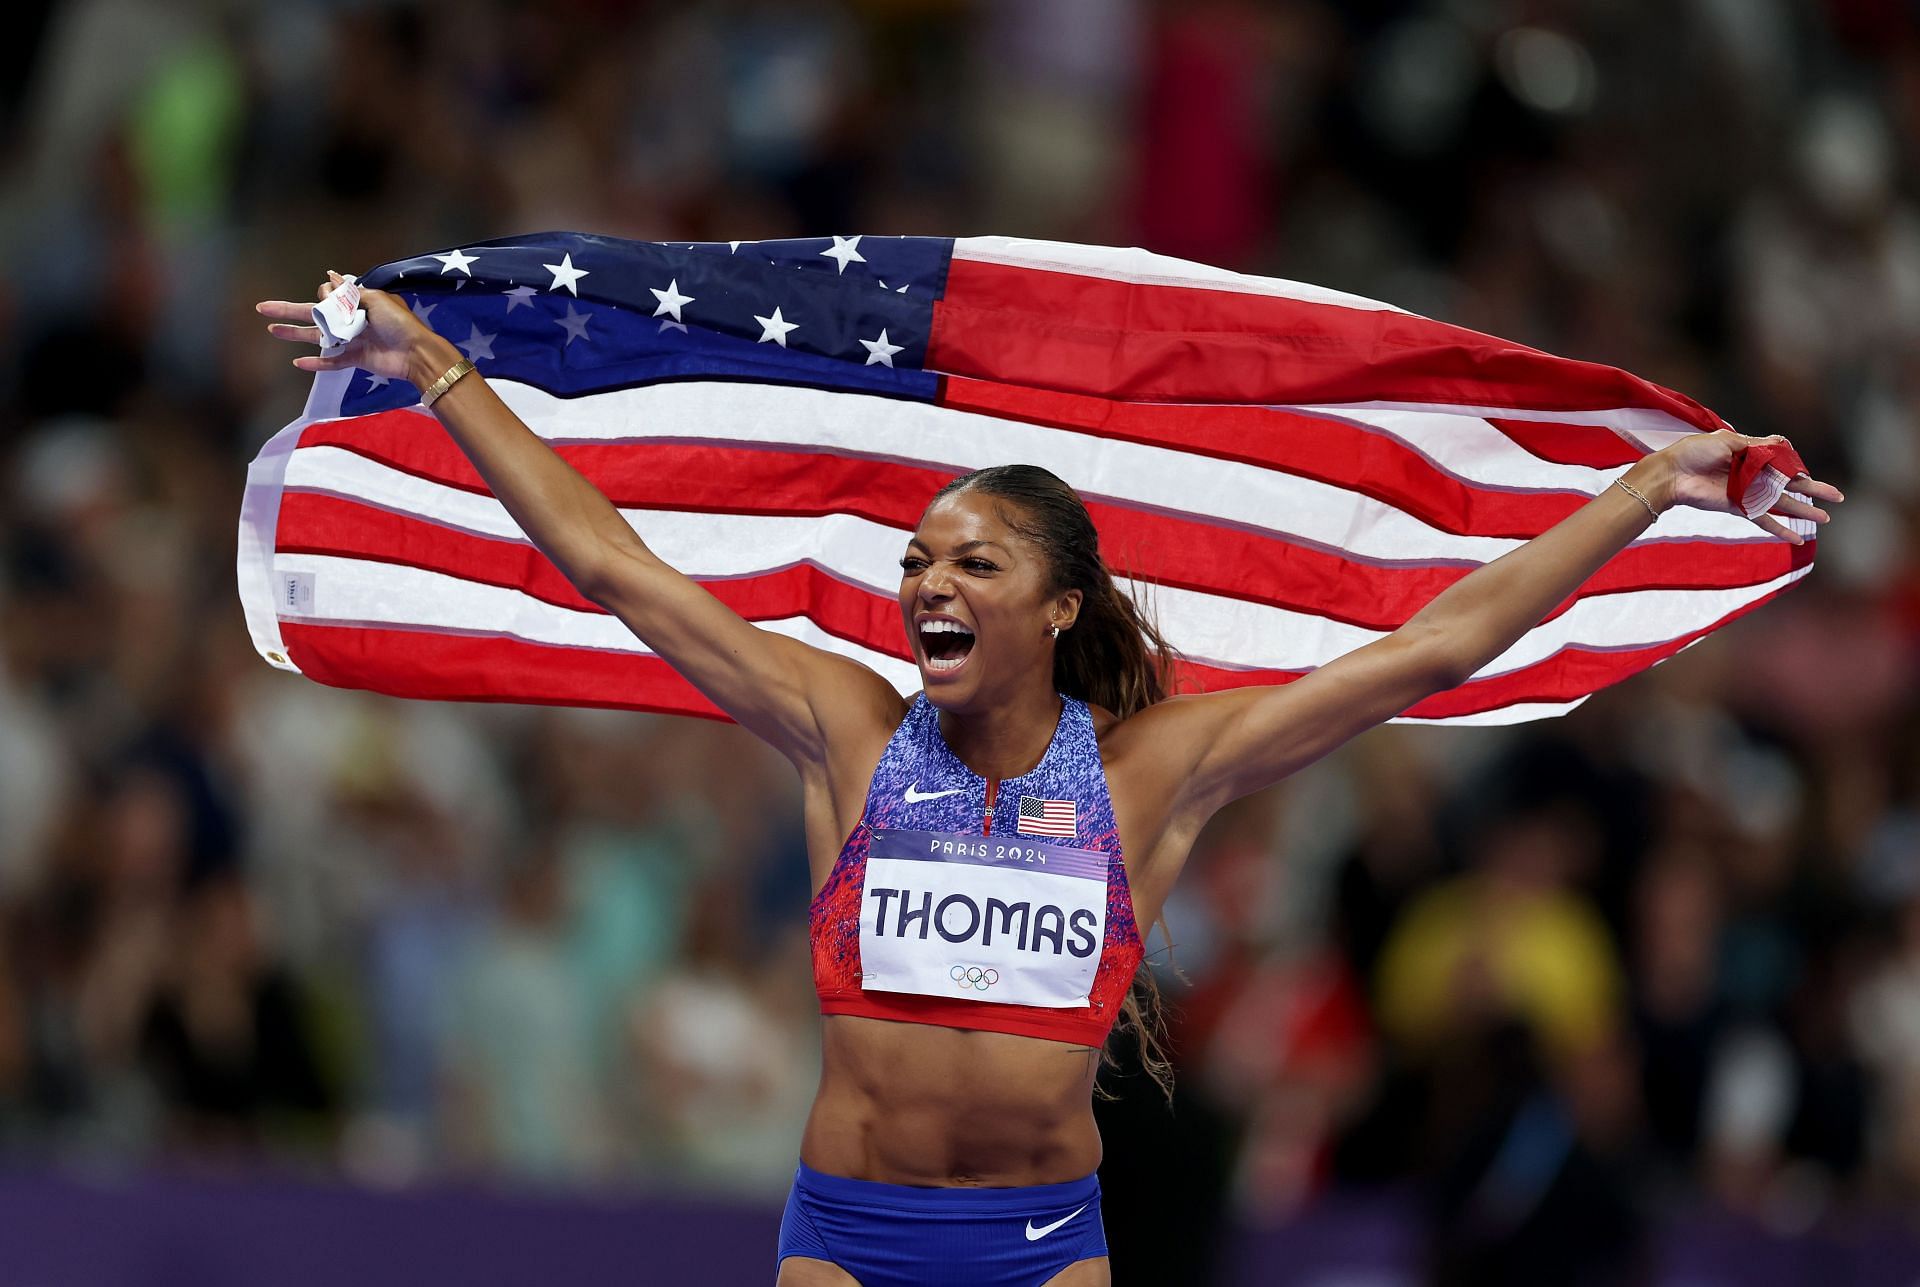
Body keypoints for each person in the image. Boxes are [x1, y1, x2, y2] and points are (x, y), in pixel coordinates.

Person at [257, 272, 1842, 1286]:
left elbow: (1433, 650)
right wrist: (444, 367)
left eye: (974, 559)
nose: (925, 582)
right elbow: (612, 565)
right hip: (852, 1241)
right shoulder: (845, 729)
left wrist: (1647, 485)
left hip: (1035, 1252)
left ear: (1059, 604)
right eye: (917, 557)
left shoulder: (1153, 774)